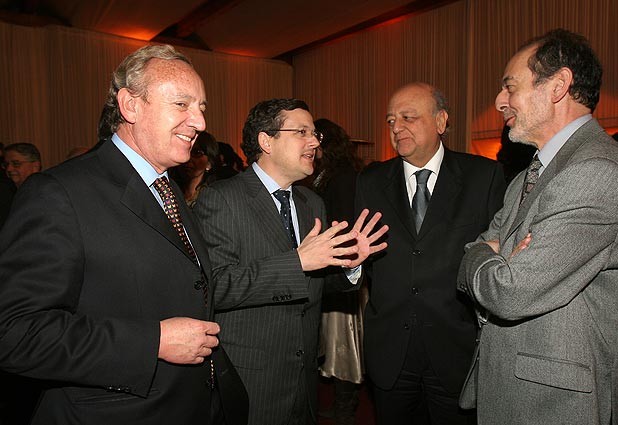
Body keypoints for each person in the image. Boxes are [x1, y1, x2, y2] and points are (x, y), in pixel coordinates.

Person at [0, 44, 247, 425]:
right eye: (181, 104)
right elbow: (14, 333)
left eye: (201, 108)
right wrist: (153, 342)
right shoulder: (59, 192)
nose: (199, 122)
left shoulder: (167, 187)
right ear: (130, 106)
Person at [193, 98, 388, 425]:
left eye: (315, 135)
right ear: (266, 141)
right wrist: (296, 262)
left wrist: (350, 265)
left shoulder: (312, 203)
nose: (314, 143)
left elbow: (313, 282)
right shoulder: (222, 198)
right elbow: (216, 287)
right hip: (251, 379)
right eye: (301, 132)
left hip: (304, 376)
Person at [457, 29, 618, 425]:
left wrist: (483, 254)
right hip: (514, 387)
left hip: (553, 402)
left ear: (558, 86)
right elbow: (481, 251)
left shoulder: (595, 171)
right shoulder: (528, 175)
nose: (500, 101)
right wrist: (488, 253)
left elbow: (509, 291)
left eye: (510, 87)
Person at [355, 82, 506, 424]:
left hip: (455, 347)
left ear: (440, 121)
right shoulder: (370, 181)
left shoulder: (483, 177)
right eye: (391, 120)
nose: (396, 127)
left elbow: (495, 258)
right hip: (390, 351)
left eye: (408, 117)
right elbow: (365, 262)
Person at [312, 118, 366, 425]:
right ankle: (342, 403)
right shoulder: (326, 172)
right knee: (333, 342)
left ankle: (346, 406)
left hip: (341, 266)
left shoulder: (343, 176)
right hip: (329, 264)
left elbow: (343, 224)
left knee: (343, 342)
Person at [170, 130, 220, 207]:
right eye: (184, 151)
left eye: (197, 153)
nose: (188, 158)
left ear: (209, 163)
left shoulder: (213, 196)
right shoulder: (170, 191)